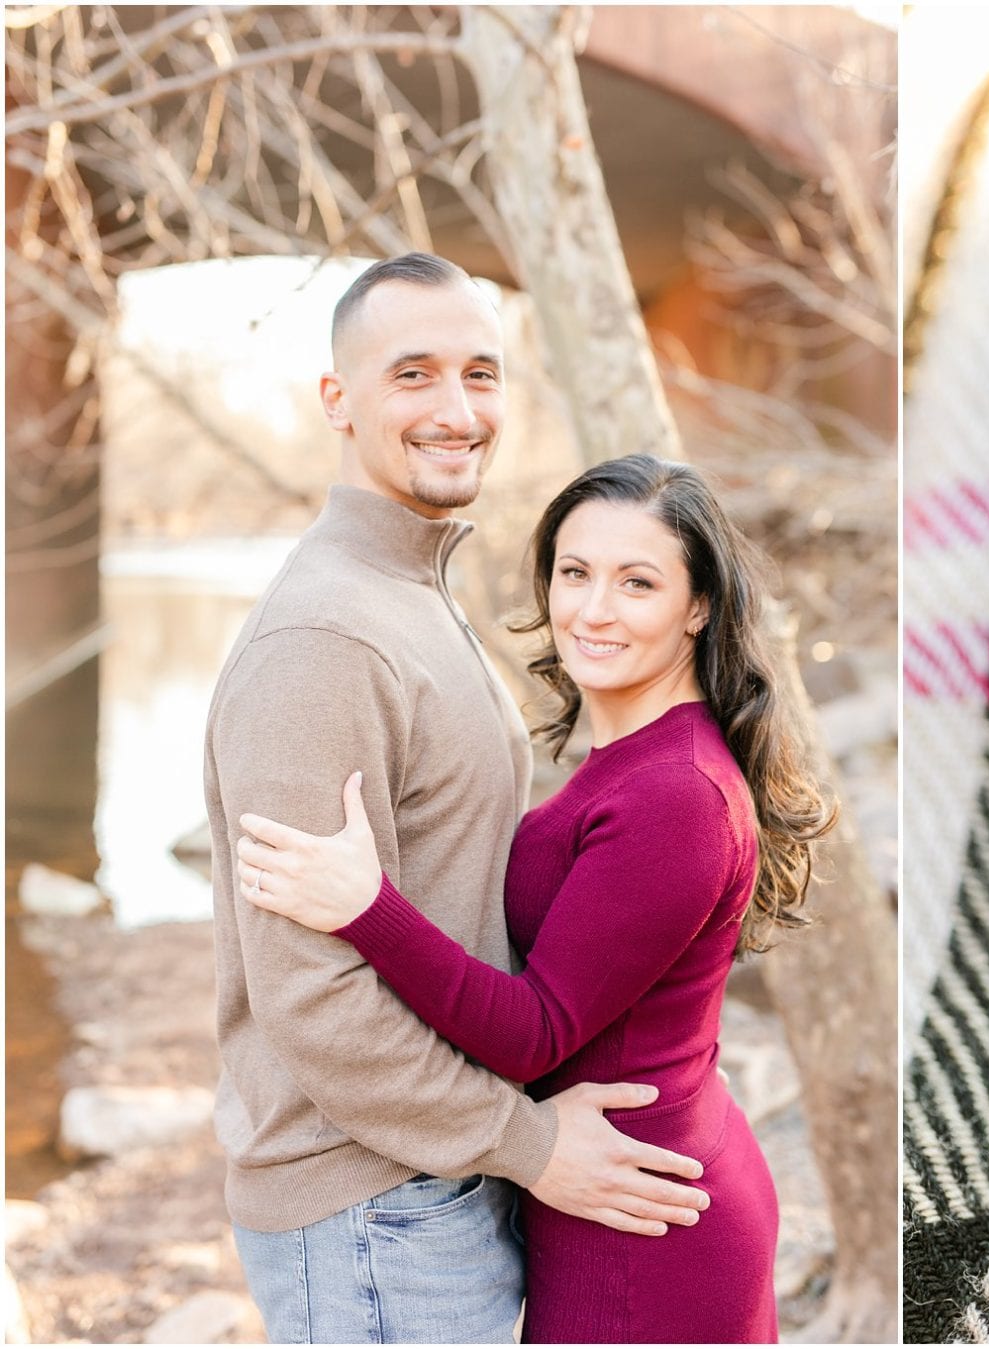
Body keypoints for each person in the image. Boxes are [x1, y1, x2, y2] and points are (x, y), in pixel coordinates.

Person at [206, 253, 711, 1345]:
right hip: (369, 1202)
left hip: (437, 1172)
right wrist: (527, 1141)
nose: (456, 408)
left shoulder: (411, 592)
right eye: (414, 374)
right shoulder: (323, 642)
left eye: (480, 374)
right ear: (338, 400)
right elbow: (313, 1000)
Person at [232, 451, 836, 1342]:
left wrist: (368, 905)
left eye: (637, 582)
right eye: (574, 572)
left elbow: (533, 1029)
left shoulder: (678, 794)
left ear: (698, 605)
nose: (592, 609)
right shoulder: (634, 755)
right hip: (617, 1187)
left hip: (643, 1223)